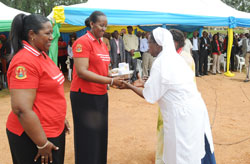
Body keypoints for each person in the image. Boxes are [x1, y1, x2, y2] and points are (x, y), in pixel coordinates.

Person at [120, 27, 215, 164]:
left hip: (181, 116)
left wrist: (129, 86)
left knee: (181, 155)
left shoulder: (161, 62)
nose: (148, 46)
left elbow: (150, 96)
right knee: (188, 154)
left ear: (158, 44)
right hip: (192, 111)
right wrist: (143, 83)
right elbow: (165, 85)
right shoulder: (175, 58)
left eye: (149, 42)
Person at [6, 13, 69, 164]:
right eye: (47, 33)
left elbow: (48, 92)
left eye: (52, 32)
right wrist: (42, 143)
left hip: (51, 128)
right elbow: (21, 109)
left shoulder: (41, 55)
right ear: (32, 34)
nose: (52, 37)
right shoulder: (25, 62)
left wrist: (60, 118)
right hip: (34, 136)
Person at [70, 11, 123, 164]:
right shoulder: (83, 42)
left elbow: (103, 70)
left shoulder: (102, 43)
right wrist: (110, 81)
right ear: (92, 24)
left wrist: (114, 76)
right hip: (85, 95)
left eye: (106, 26)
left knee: (100, 134)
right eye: (101, 25)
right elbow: (82, 72)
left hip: (100, 94)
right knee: (88, 136)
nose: (104, 29)